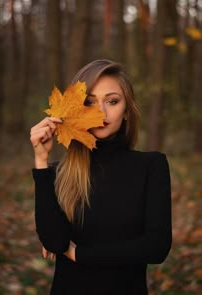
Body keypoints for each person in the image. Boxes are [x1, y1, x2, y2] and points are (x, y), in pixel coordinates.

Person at [30, 59, 172, 295]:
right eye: (90, 102)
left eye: (112, 101)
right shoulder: (57, 173)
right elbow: (55, 242)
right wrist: (41, 162)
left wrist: (80, 254)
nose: (101, 112)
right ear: (75, 110)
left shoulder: (151, 166)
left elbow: (156, 248)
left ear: (127, 110)